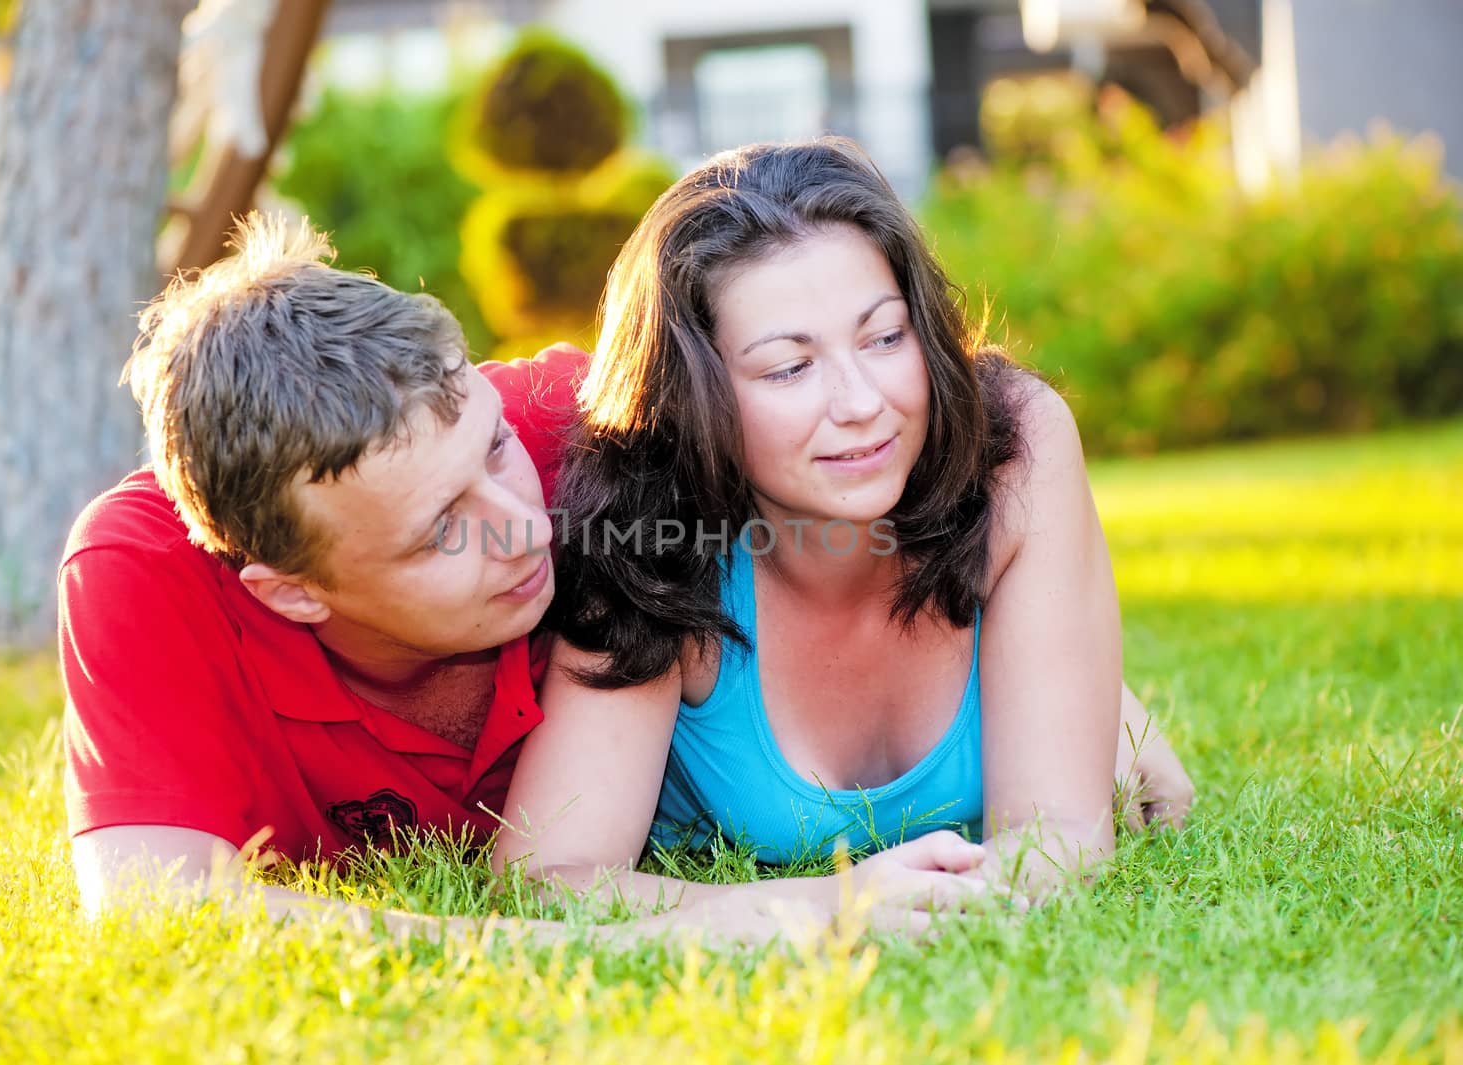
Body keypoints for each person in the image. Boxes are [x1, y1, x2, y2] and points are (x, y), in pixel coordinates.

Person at [63, 209, 1190, 942]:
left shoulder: (582, 423)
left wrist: (1057, 672)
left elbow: (833, 433)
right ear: (289, 588)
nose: (518, 527)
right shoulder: (146, 574)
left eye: (494, 452)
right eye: (435, 531)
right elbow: (159, 915)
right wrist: (802, 915)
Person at [493, 138, 1188, 905]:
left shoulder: (1014, 448)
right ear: (694, 398)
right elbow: (544, 878)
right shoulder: (651, 528)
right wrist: (832, 905)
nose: (862, 403)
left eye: (886, 336)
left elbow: (1059, 839)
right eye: (790, 367)